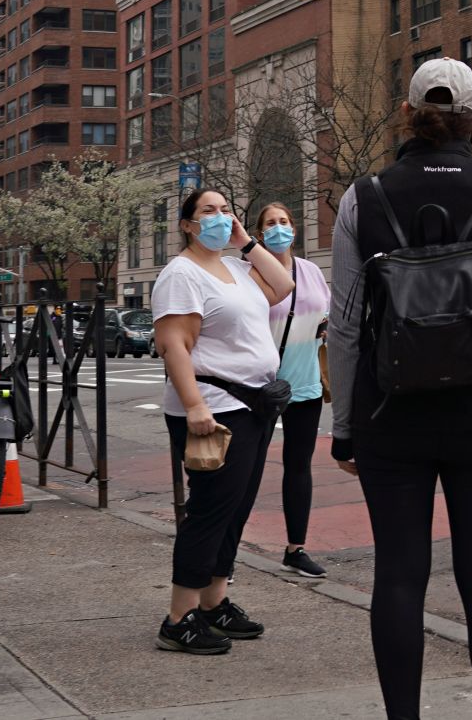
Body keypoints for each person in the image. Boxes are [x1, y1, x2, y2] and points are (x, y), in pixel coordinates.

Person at [328, 58, 472, 719]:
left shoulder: (364, 196)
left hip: (392, 412)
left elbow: (348, 323)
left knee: (401, 576)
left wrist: (345, 428)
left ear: (407, 114)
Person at [150, 188, 295, 655]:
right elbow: (174, 345)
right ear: (187, 225)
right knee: (210, 509)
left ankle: (214, 603)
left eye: (224, 209)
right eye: (207, 211)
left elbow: (284, 285)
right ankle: (179, 617)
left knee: (236, 508)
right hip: (214, 406)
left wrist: (246, 242)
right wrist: (194, 406)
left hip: (253, 403)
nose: (219, 217)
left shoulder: (235, 268)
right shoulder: (181, 275)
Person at [256, 203, 331, 578]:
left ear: (294, 229)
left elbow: (325, 317)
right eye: (270, 223)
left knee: (298, 467)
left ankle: (295, 549)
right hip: (260, 387)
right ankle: (224, 551)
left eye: (284, 222)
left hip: (305, 384)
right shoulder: (250, 272)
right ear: (258, 234)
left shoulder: (312, 271)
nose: (278, 228)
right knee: (247, 468)